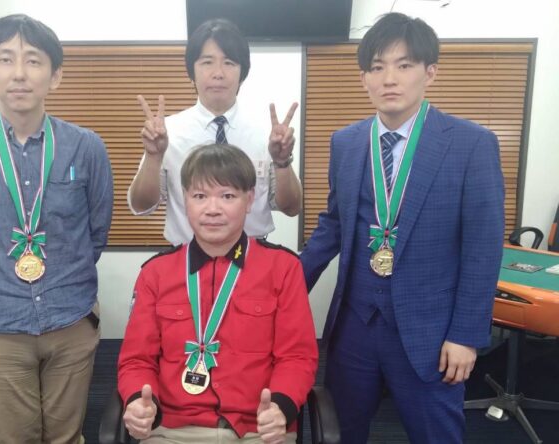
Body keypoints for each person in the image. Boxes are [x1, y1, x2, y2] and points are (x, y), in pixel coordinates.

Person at [300, 12, 504, 444]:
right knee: (339, 433)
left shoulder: (471, 144)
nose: (389, 78)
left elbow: (483, 250)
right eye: (377, 67)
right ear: (364, 78)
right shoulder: (346, 142)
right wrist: (282, 287)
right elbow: (333, 225)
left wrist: (466, 336)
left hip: (432, 333)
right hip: (354, 327)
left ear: (430, 72)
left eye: (404, 65)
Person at [0, 14, 113, 444]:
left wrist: (64, 275)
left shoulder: (86, 147)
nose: (19, 73)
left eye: (33, 60)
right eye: (5, 59)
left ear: (55, 75)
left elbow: (96, 233)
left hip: (70, 319)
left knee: (68, 437)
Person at [118, 144, 317, 443]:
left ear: (249, 200)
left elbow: (297, 357)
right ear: (184, 199)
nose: (212, 209)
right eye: (200, 196)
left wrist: (280, 407)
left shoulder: (283, 268)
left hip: (258, 429)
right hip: (173, 430)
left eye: (227, 196)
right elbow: (137, 361)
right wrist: (138, 403)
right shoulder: (155, 274)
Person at [128, 18, 302, 246]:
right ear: (191, 71)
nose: (218, 73)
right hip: (187, 256)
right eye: (207, 62)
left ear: (242, 73)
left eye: (229, 63)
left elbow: (291, 208)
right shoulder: (166, 133)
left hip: (252, 257)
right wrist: (153, 157)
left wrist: (282, 162)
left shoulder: (266, 134)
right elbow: (141, 206)